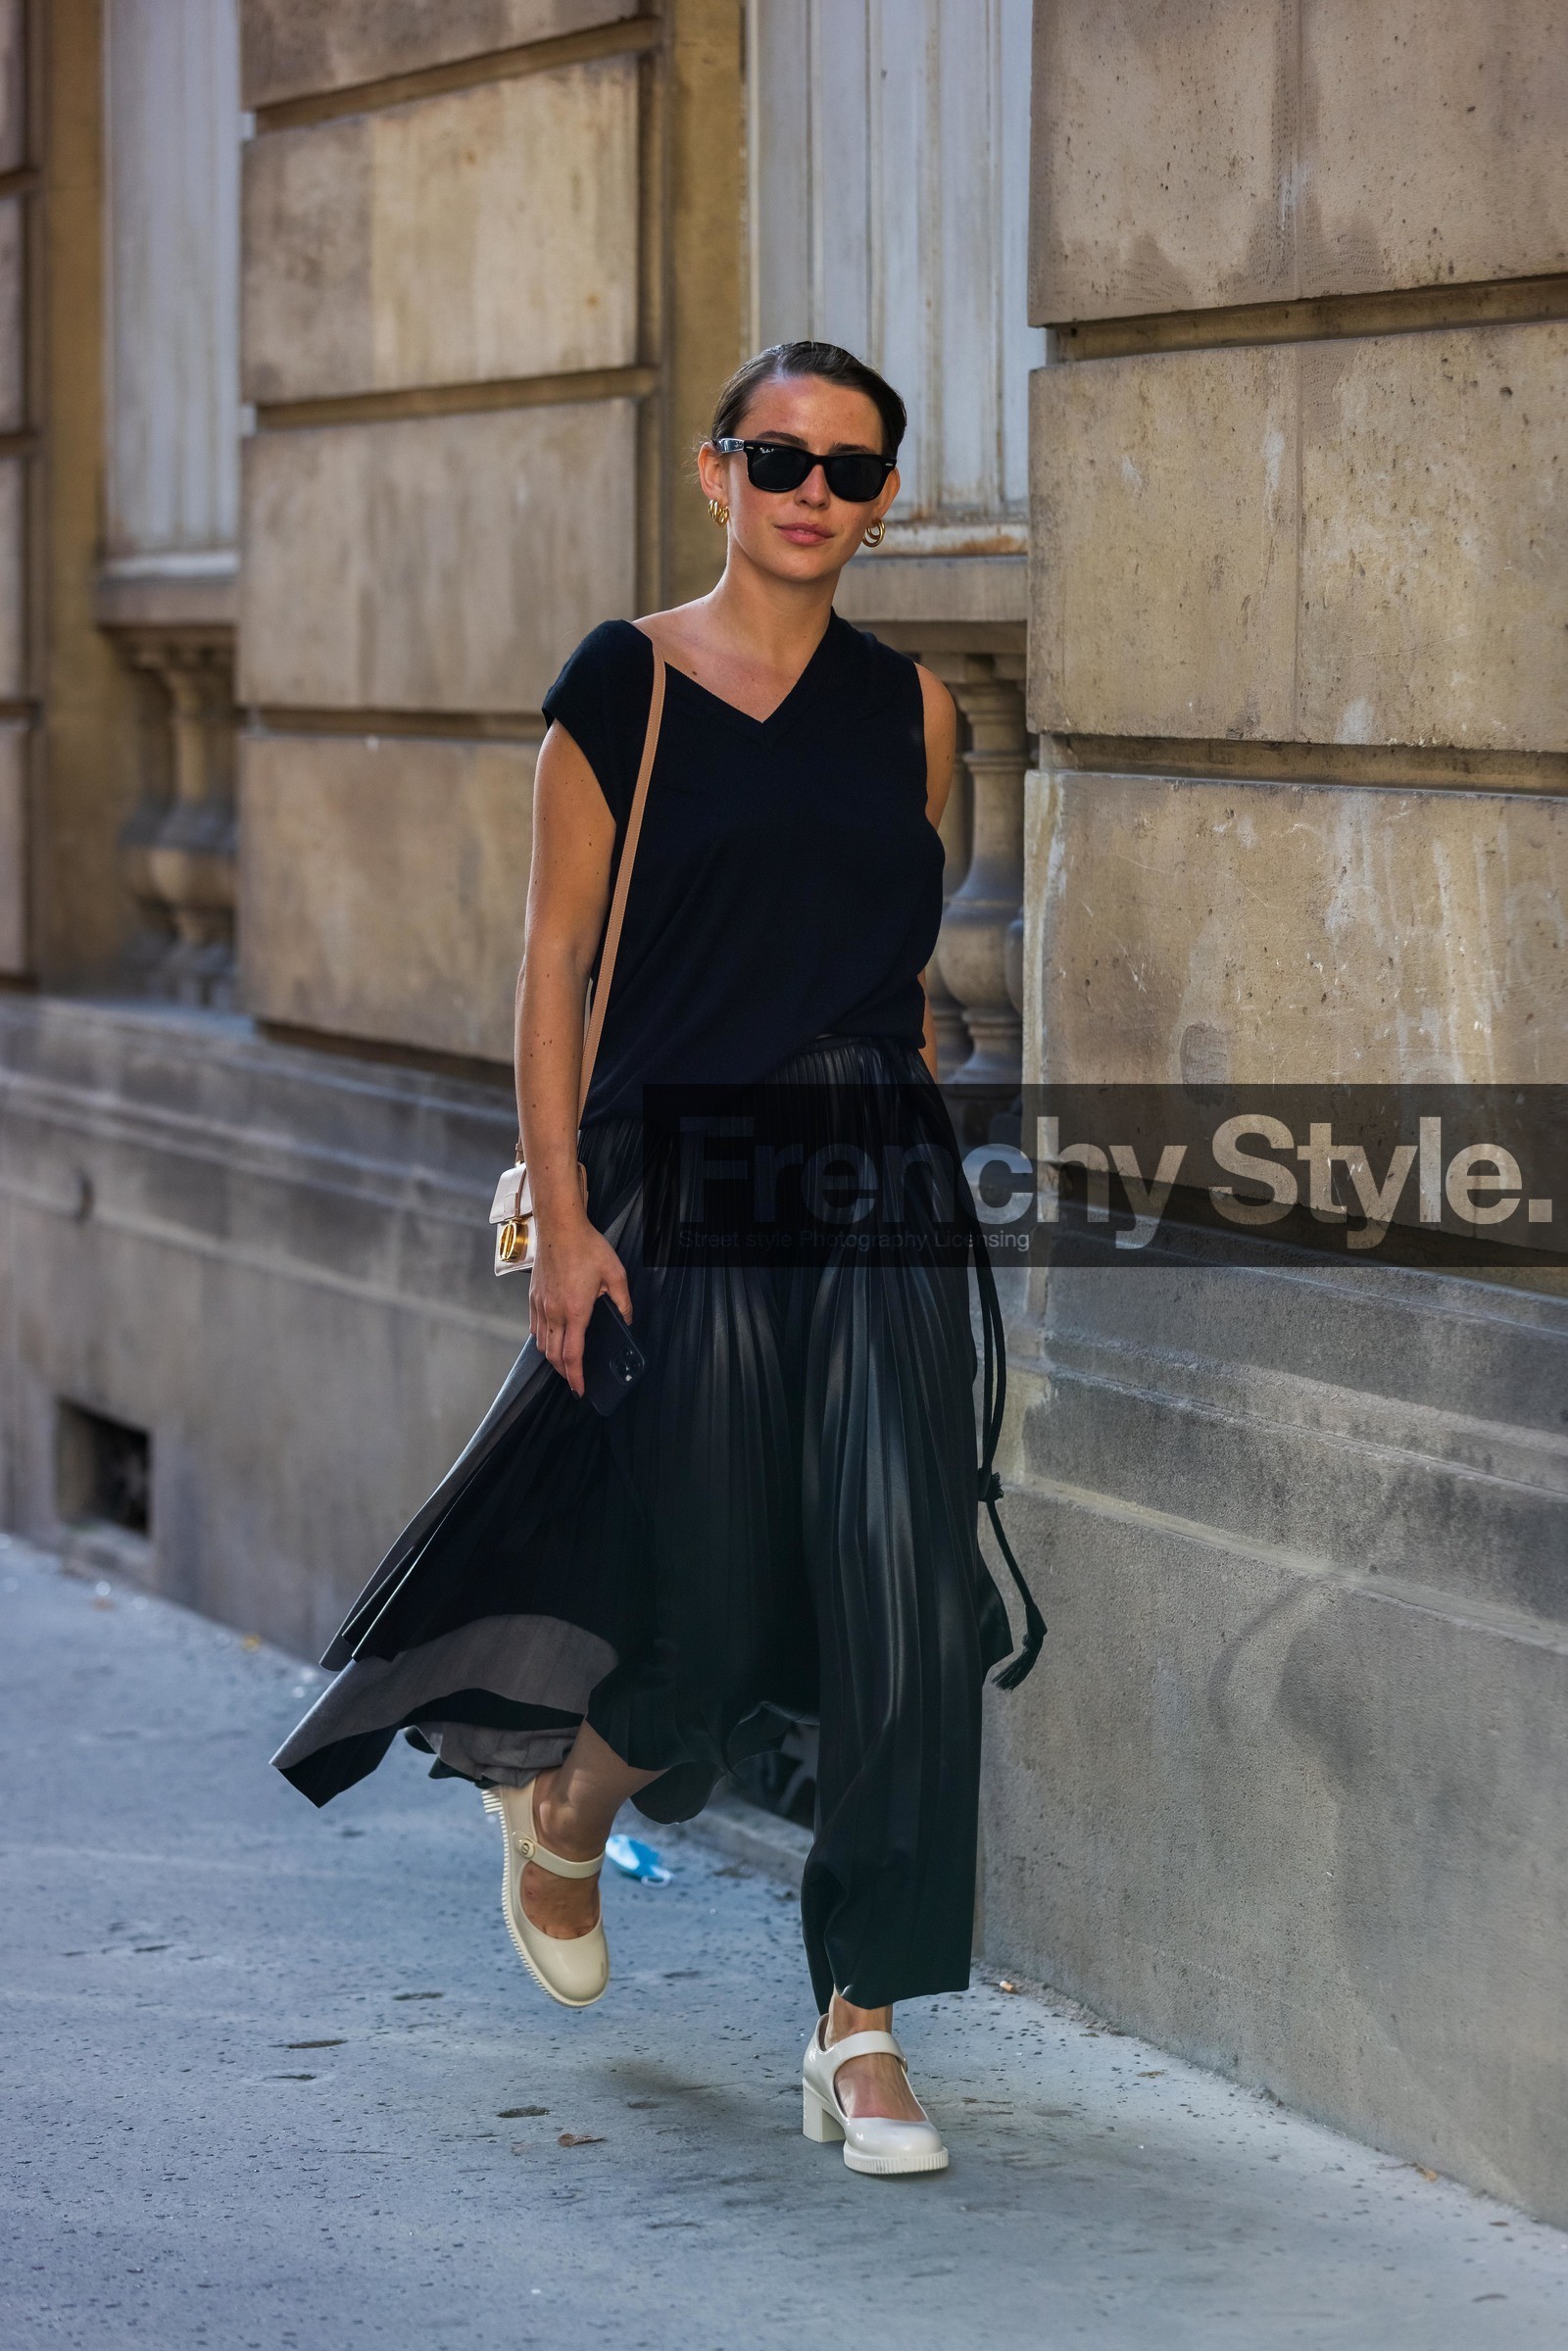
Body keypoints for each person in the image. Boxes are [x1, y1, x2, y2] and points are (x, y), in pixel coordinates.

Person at [273, 339, 1042, 2180]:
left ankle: (862, 2027)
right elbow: (553, 966)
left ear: (885, 502)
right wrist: (562, 1208)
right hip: (678, 1174)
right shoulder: (620, 684)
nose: (811, 492)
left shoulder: (918, 713)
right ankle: (567, 1801)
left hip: (865, 1180)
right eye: (778, 456)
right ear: (717, 473)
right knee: (698, 1598)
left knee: (900, 1589)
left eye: (850, 471)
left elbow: (891, 952)